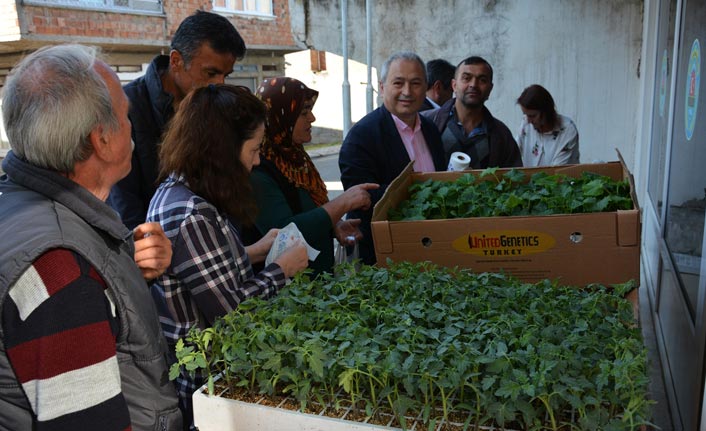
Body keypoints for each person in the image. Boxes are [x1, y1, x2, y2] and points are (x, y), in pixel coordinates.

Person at [0, 44, 181, 430]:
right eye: (125, 114)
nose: (132, 125)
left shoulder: (26, 207)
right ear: (101, 139)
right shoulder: (60, 269)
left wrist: (123, 268)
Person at [146, 84, 309, 428]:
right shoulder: (192, 213)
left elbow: (201, 274)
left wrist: (257, 251)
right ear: (221, 151)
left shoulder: (182, 190)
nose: (257, 159)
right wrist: (281, 270)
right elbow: (230, 312)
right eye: (252, 149)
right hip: (203, 386)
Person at [108, 10, 247, 229]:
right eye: (211, 73)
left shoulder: (215, 106)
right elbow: (125, 207)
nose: (219, 83)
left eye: (225, 75)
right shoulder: (126, 108)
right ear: (176, 61)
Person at [247, 77, 378, 275]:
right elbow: (283, 234)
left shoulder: (294, 156)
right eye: (303, 112)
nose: (312, 118)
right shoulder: (258, 168)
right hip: (287, 292)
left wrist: (334, 224)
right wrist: (342, 204)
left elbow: (306, 210)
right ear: (281, 116)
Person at [339, 51, 446, 265]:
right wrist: (422, 194)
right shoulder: (362, 136)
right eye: (398, 83)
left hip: (432, 248)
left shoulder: (431, 130)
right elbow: (362, 198)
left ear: (425, 88)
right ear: (382, 87)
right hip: (382, 258)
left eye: (415, 83)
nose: (407, 92)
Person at [423, 56, 522, 169]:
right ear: (454, 85)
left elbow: (515, 177)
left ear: (490, 89)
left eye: (482, 80)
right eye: (466, 78)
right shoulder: (427, 122)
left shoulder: (501, 135)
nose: (473, 85)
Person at [516, 84, 580, 167]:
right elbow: (514, 152)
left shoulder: (567, 130)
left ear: (546, 111)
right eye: (526, 115)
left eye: (533, 116)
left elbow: (556, 171)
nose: (528, 120)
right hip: (530, 179)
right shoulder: (526, 123)